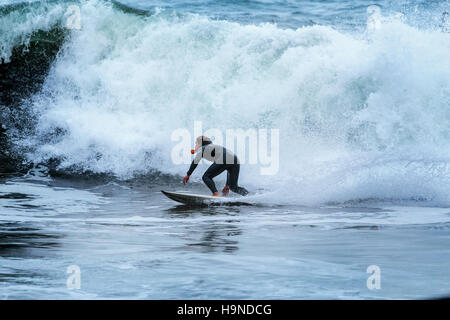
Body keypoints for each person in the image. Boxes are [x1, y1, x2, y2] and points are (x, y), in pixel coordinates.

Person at [183, 136, 249, 197]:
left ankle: (215, 193)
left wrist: (188, 174)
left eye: (196, 143)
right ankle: (250, 196)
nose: (195, 146)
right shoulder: (213, 147)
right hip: (235, 159)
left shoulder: (202, 148)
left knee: (206, 177)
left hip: (225, 157)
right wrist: (227, 185)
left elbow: (195, 161)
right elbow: (229, 168)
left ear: (200, 144)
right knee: (233, 187)